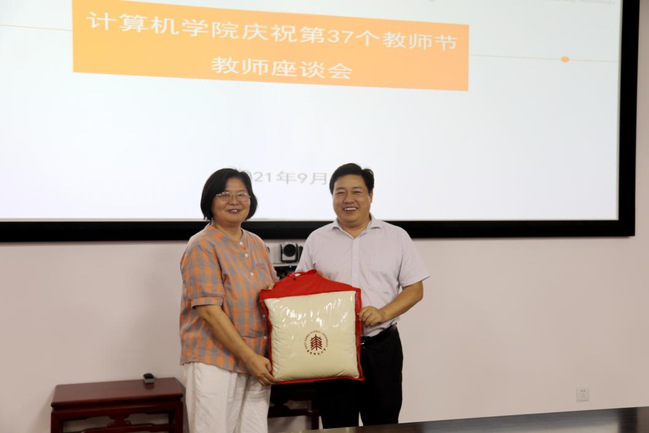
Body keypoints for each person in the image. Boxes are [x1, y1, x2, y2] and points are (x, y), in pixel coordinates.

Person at [296, 162, 429, 428]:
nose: (348, 199)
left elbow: (415, 289)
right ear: (332, 197)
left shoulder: (396, 237)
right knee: (337, 424)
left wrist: (383, 313)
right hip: (333, 348)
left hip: (382, 347)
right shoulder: (317, 239)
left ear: (370, 195)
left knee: (384, 425)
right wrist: (314, 285)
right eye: (340, 192)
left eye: (356, 192)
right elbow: (301, 290)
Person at [179, 168, 278, 433]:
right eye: (224, 195)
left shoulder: (256, 243)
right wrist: (250, 358)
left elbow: (273, 296)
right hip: (215, 360)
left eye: (242, 195)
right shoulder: (201, 245)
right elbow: (210, 312)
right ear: (210, 201)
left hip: (257, 360)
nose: (234, 201)